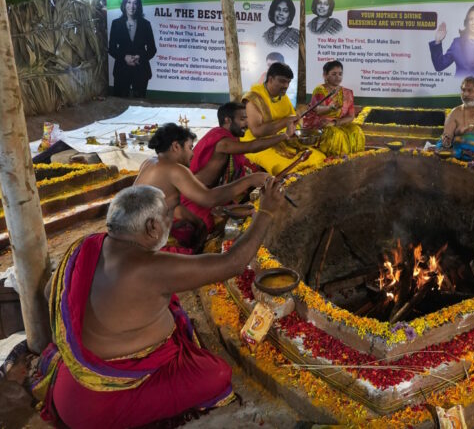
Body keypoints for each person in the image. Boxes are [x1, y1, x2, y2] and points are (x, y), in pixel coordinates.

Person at [32, 180, 287, 427]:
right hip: (96, 404)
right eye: (167, 215)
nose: (172, 220)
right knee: (216, 374)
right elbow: (232, 263)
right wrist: (265, 212)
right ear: (152, 227)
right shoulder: (149, 267)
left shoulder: (86, 244)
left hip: (72, 380)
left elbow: (48, 292)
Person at [134, 123, 270, 251]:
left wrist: (197, 223)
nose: (193, 154)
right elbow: (209, 198)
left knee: (199, 227)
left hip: (133, 232)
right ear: (176, 147)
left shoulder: (149, 162)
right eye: (190, 148)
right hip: (145, 244)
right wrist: (250, 180)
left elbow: (170, 203)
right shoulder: (174, 169)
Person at [181, 102, 292, 232]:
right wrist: (285, 135)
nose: (246, 124)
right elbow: (252, 147)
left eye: (247, 119)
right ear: (227, 120)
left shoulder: (230, 139)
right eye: (242, 119)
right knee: (215, 226)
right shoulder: (221, 141)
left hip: (215, 195)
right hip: (197, 199)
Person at [242, 62, 326, 175]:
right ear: (270, 79)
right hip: (257, 143)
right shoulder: (254, 99)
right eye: (282, 81)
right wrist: (286, 121)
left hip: (281, 139)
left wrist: (295, 125)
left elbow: (293, 121)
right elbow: (257, 131)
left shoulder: (282, 96)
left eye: (288, 82)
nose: (286, 86)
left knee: (317, 157)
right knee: (283, 167)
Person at [303, 60, 365, 156]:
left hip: (336, 124)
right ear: (325, 75)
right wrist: (330, 108)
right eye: (334, 74)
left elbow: (351, 116)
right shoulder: (320, 90)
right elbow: (318, 110)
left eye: (340, 74)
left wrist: (335, 123)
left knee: (357, 131)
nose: (338, 77)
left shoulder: (347, 93)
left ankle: (354, 158)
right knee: (337, 135)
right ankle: (335, 160)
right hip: (320, 125)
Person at [108, 0, 157, 98]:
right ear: (124, 4)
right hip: (121, 71)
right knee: (119, 106)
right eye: (129, 2)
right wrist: (124, 57)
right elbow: (111, 48)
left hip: (141, 71)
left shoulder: (146, 24)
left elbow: (152, 49)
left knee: (139, 107)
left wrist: (140, 57)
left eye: (135, 3)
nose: (132, 6)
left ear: (138, 6)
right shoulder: (116, 24)